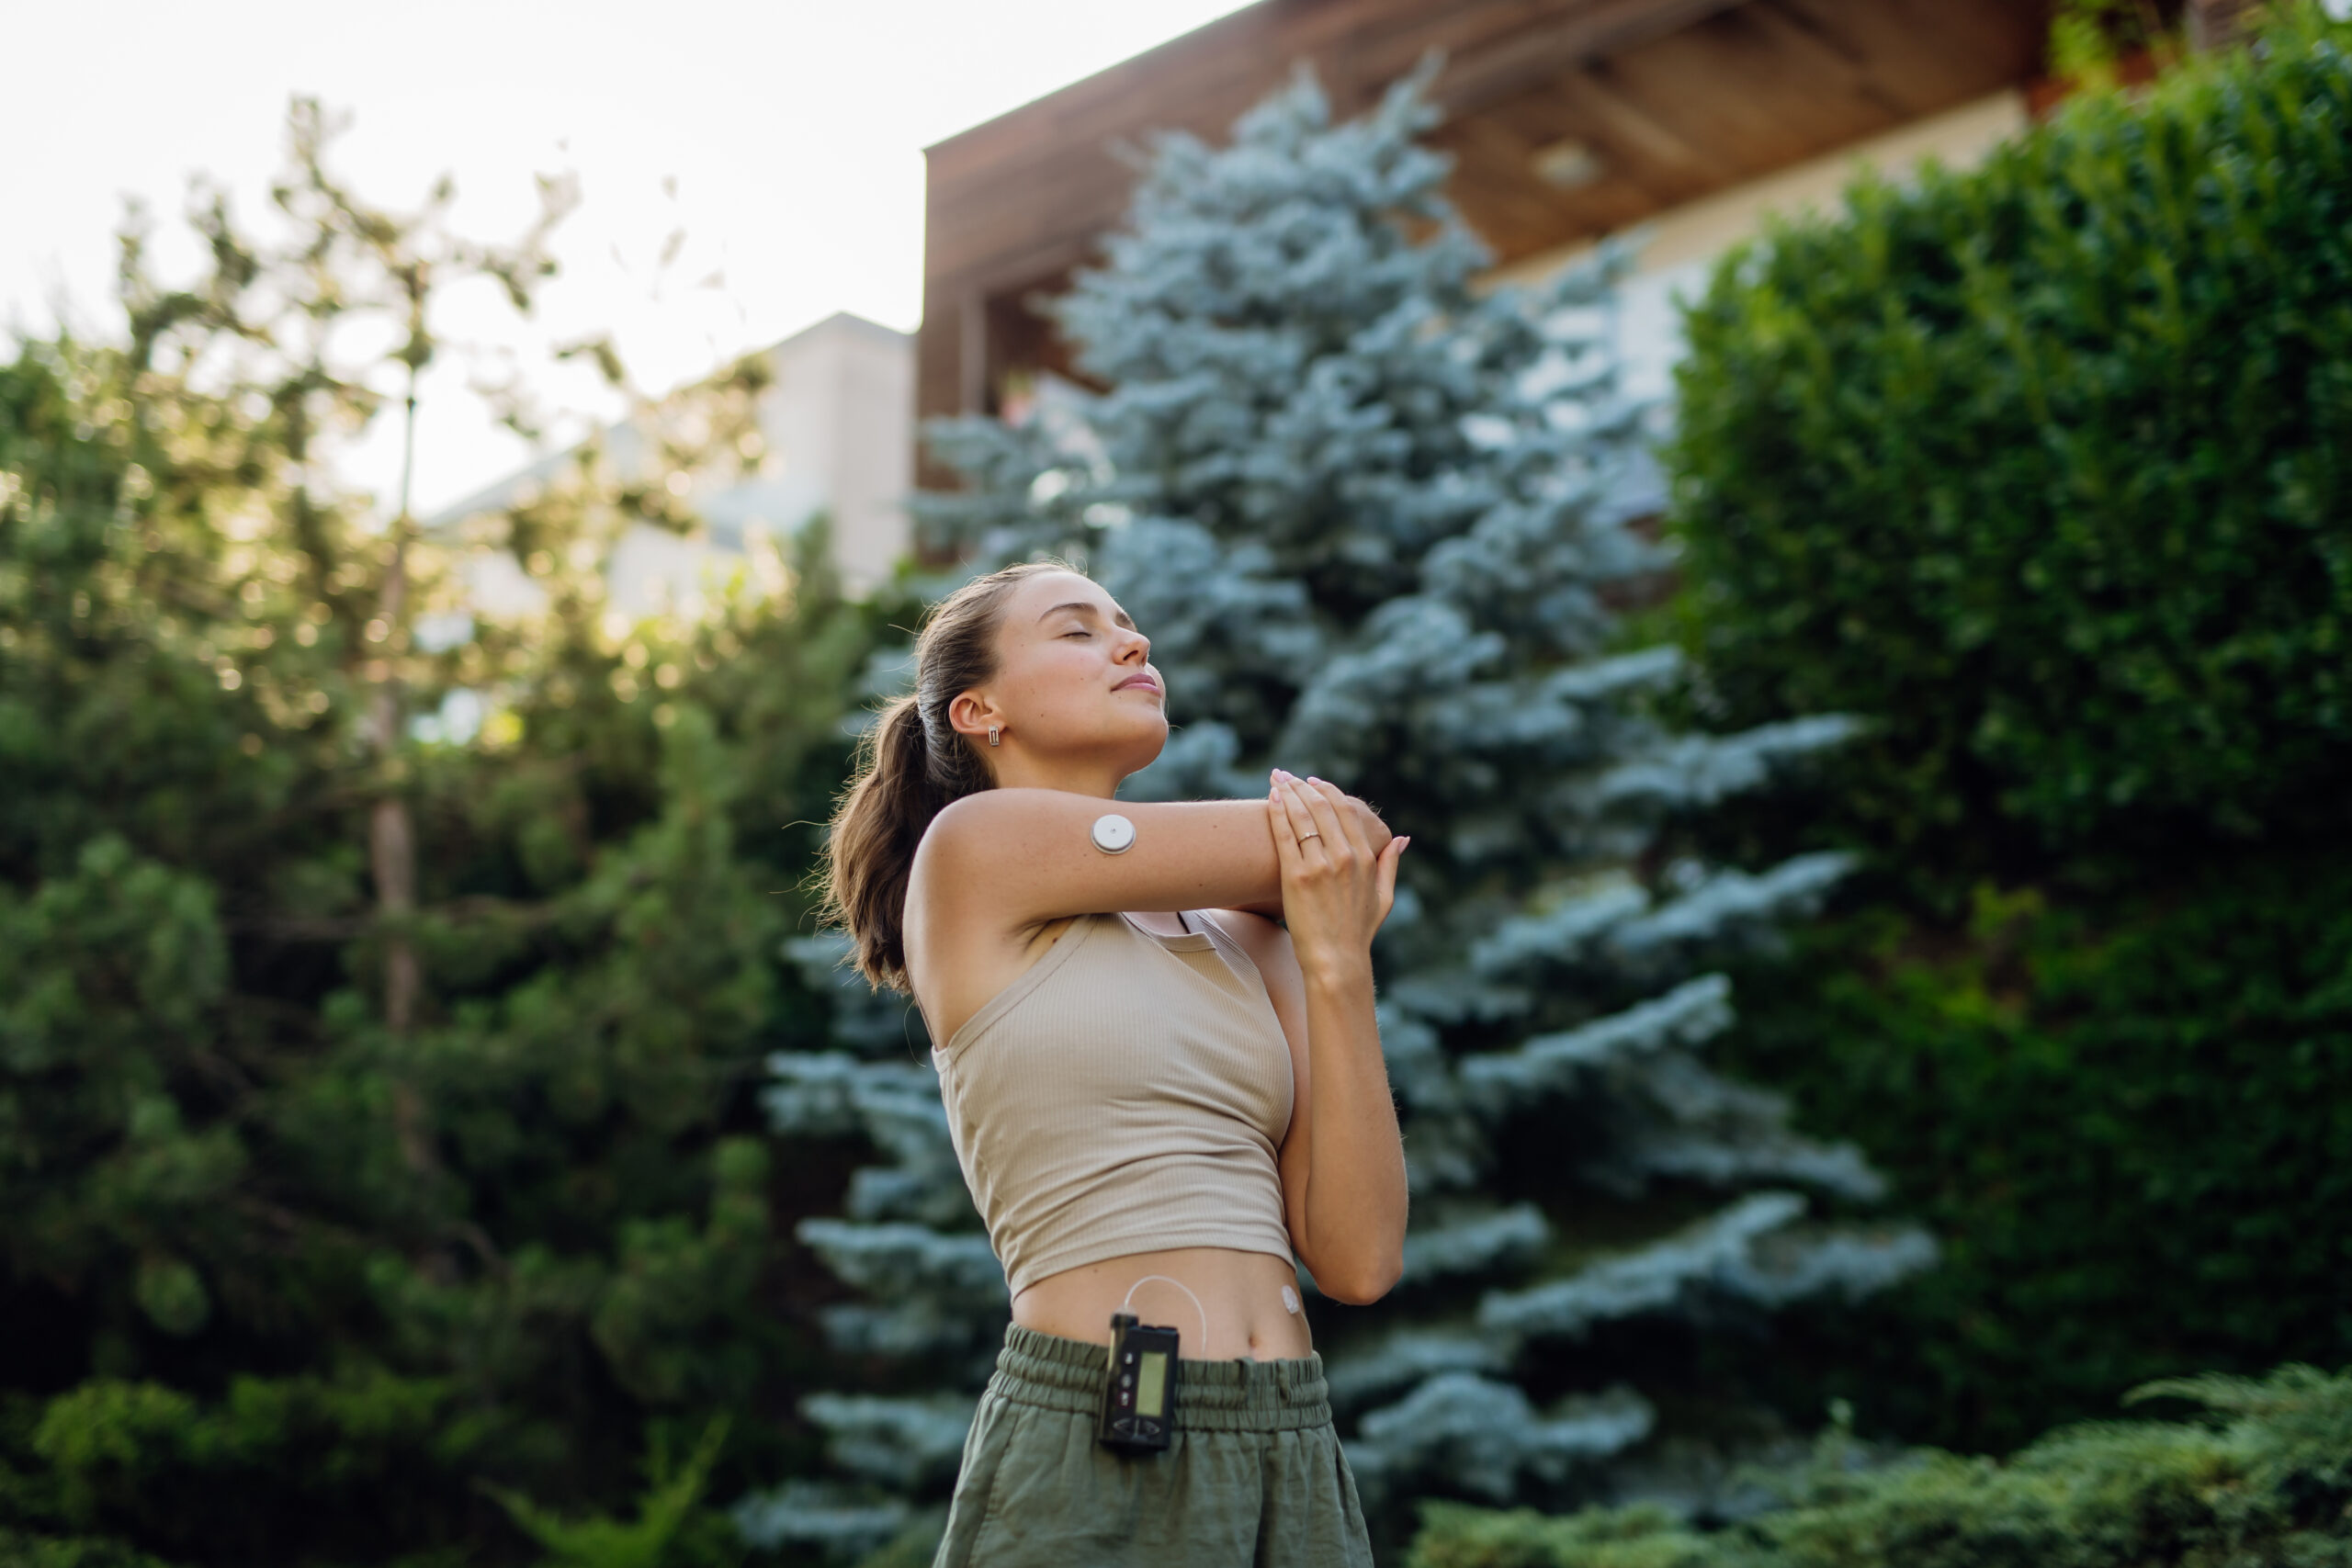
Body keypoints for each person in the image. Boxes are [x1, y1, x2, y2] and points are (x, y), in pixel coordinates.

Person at [821, 559, 1408, 1566]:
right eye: (1077, 629)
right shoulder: (975, 850)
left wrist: (1335, 966)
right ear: (979, 710)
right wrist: (1326, 879)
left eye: (1128, 625)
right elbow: (1331, 837)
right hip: (1106, 1423)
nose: (1131, 645)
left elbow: (1357, 1261)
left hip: (1292, 1441)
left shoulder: (1250, 938)